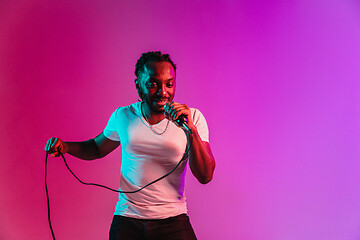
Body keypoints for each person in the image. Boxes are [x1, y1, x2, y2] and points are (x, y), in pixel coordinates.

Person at [44, 51, 216, 240]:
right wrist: (66, 147)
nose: (163, 91)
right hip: (127, 220)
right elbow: (96, 147)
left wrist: (189, 128)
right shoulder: (123, 116)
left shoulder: (193, 118)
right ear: (138, 86)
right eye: (153, 84)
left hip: (173, 220)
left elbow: (205, 176)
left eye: (169, 84)